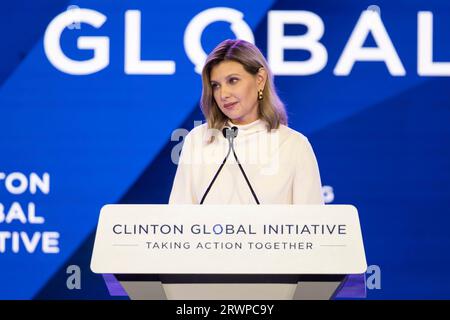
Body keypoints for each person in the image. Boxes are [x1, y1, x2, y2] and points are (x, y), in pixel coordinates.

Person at [169, 39, 324, 205]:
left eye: (233, 81)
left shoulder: (294, 145)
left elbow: (312, 225)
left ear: (260, 79)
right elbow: (178, 219)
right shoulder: (198, 139)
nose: (223, 94)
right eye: (216, 85)